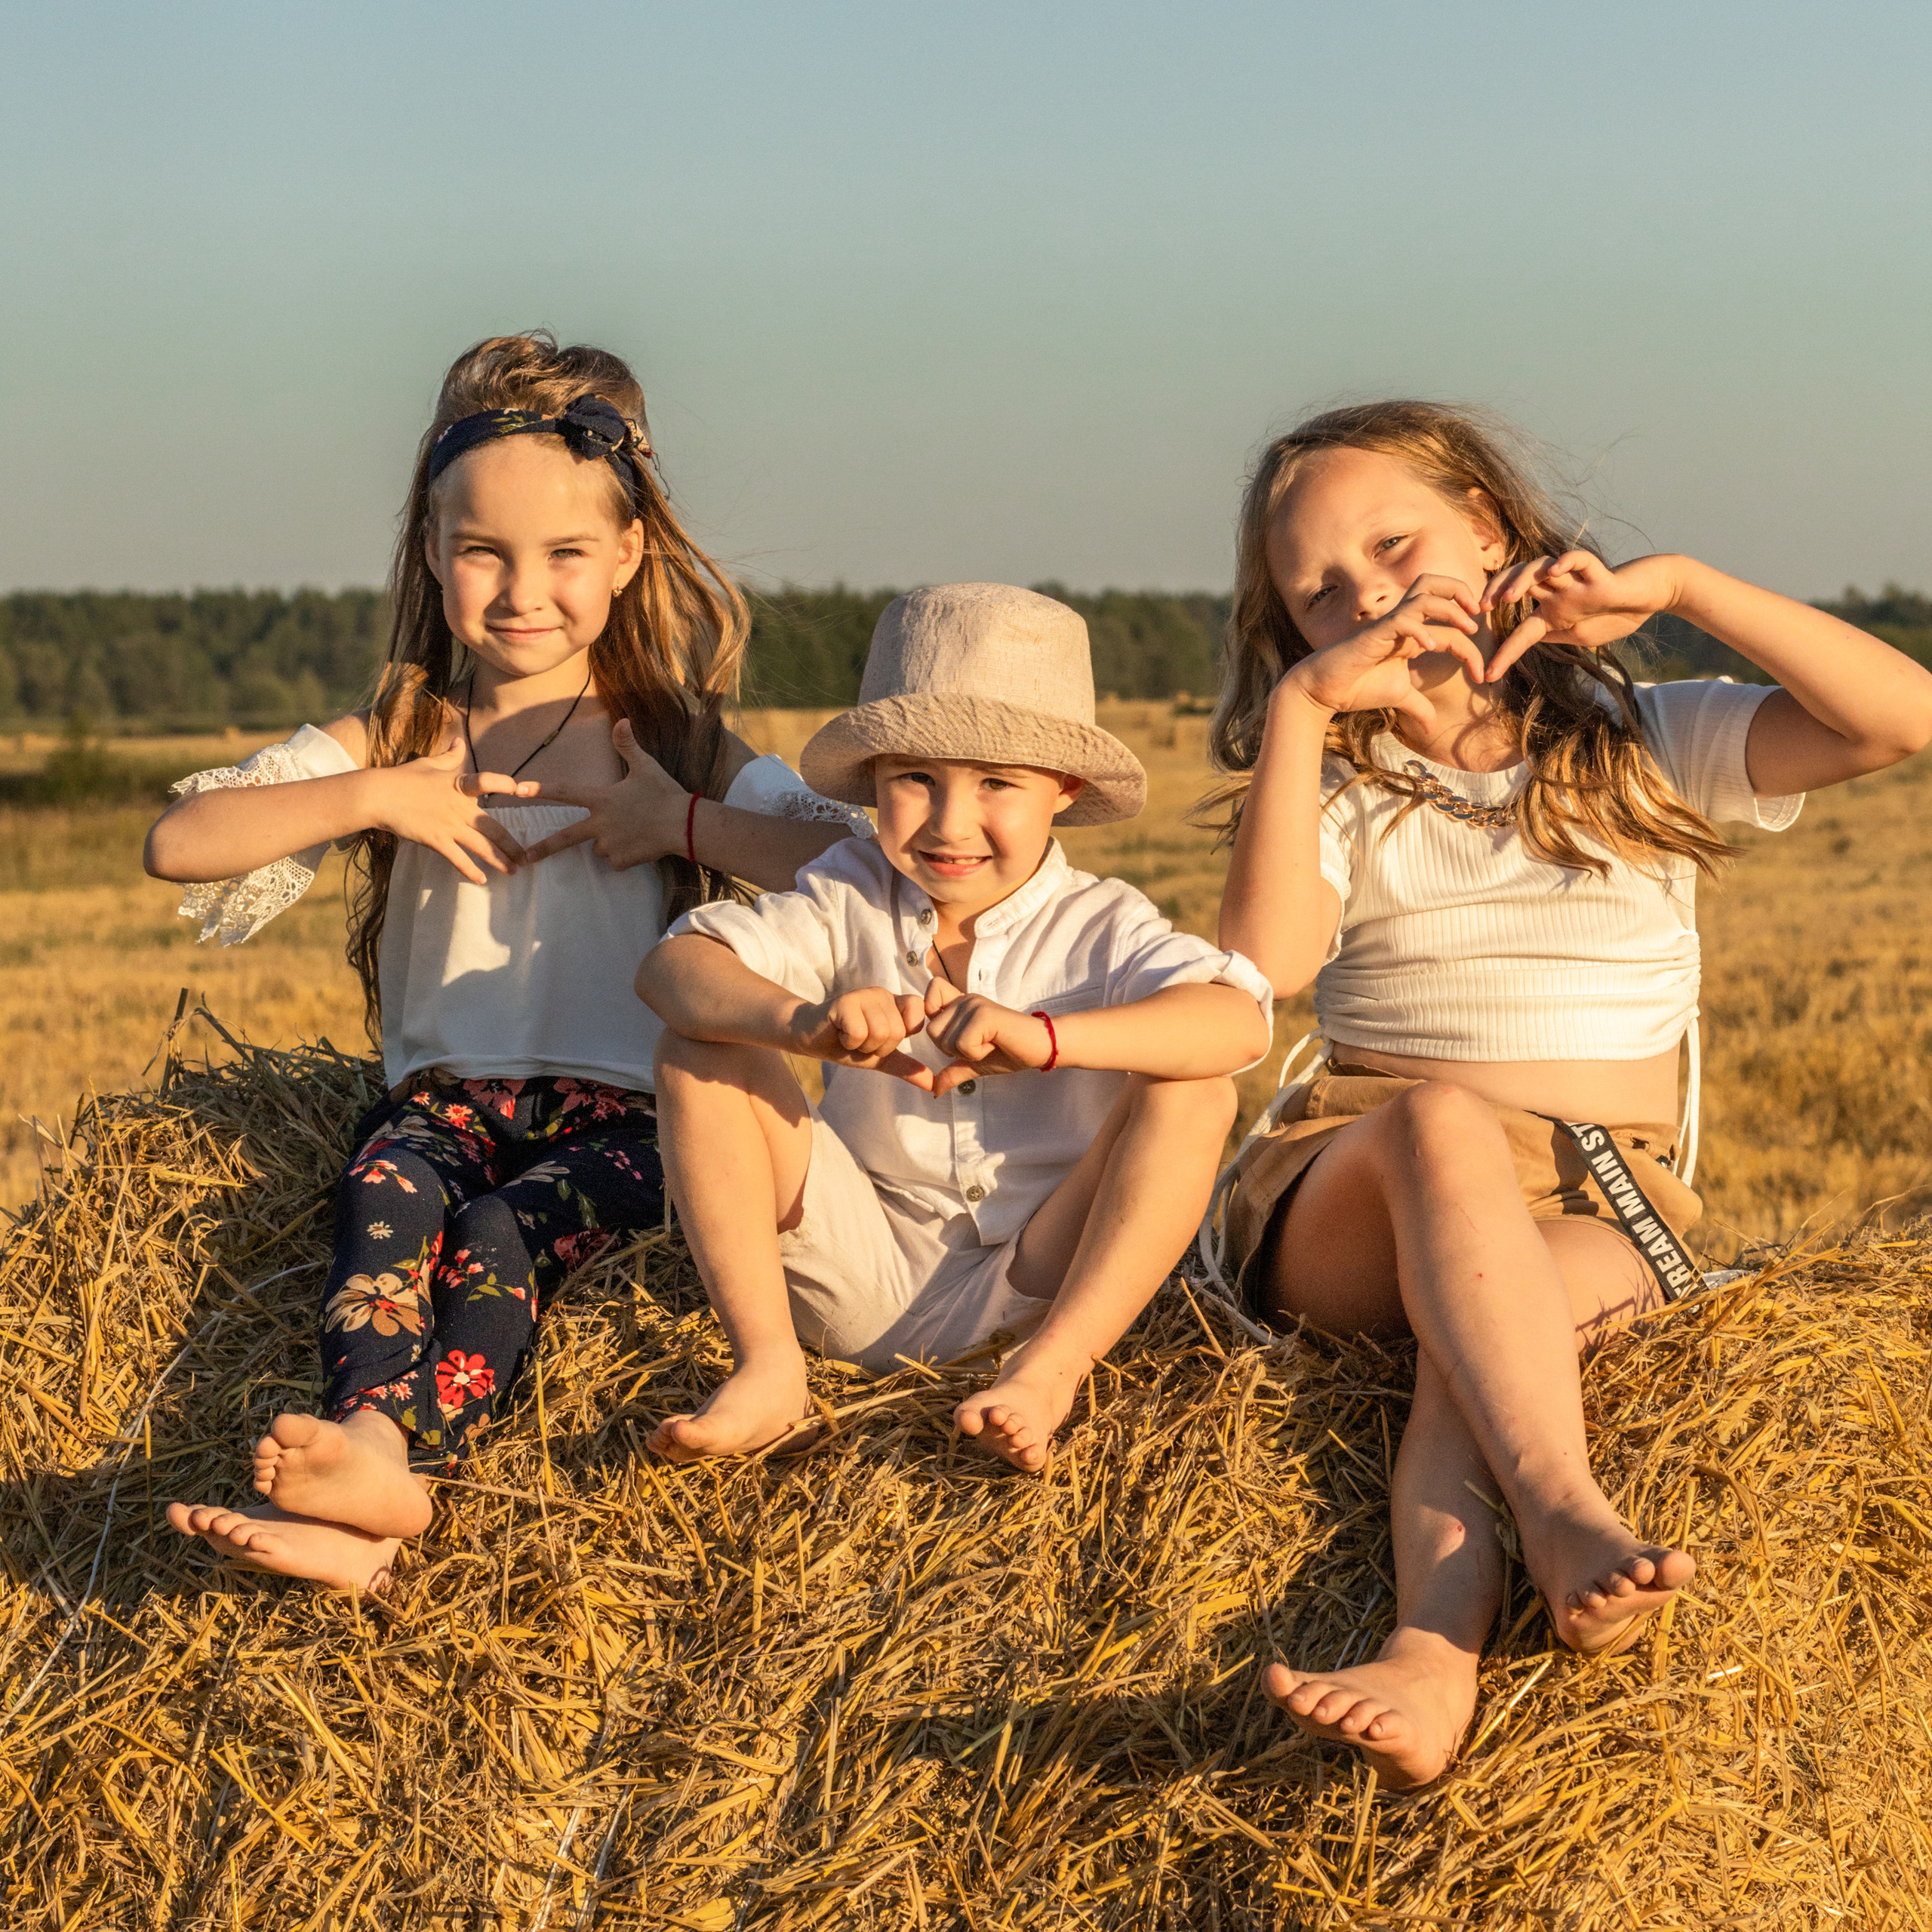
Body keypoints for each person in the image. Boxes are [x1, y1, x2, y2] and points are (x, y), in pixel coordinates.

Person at [1211, 400, 1932, 1789]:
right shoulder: (1344, 792)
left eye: (1394, 544)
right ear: (1294, 632)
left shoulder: (1648, 743)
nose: (1364, 594)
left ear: (1490, 531)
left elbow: (1902, 719)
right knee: (1439, 1134)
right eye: (1318, 592)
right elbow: (1264, 968)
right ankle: (1561, 1507)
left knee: (1499, 1324)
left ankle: (1433, 1657)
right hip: (1357, 1173)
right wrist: (1303, 720)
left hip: (1607, 1187)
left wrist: (1682, 592)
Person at [152, 332, 867, 1592]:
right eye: (482, 551)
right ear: (431, 552)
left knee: (501, 1229)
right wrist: (377, 798)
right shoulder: (404, 733)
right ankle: (370, 1450)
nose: (520, 588)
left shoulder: (668, 738)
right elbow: (182, 841)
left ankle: (403, 1473)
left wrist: (681, 826)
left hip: (634, 1114)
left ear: (630, 555)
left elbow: (840, 862)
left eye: (564, 555)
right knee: (387, 1202)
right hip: (444, 1104)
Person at [636, 583, 1275, 1471]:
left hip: (1040, 1277)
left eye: (996, 784)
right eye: (914, 780)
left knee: (1193, 1089)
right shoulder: (847, 889)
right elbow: (674, 971)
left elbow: (1236, 1025)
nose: (949, 821)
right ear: (872, 781)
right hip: (851, 1263)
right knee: (697, 1047)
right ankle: (770, 1367)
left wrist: (1048, 1039)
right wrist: (805, 1023)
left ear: (1064, 789)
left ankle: (1050, 1376)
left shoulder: (1103, 922)